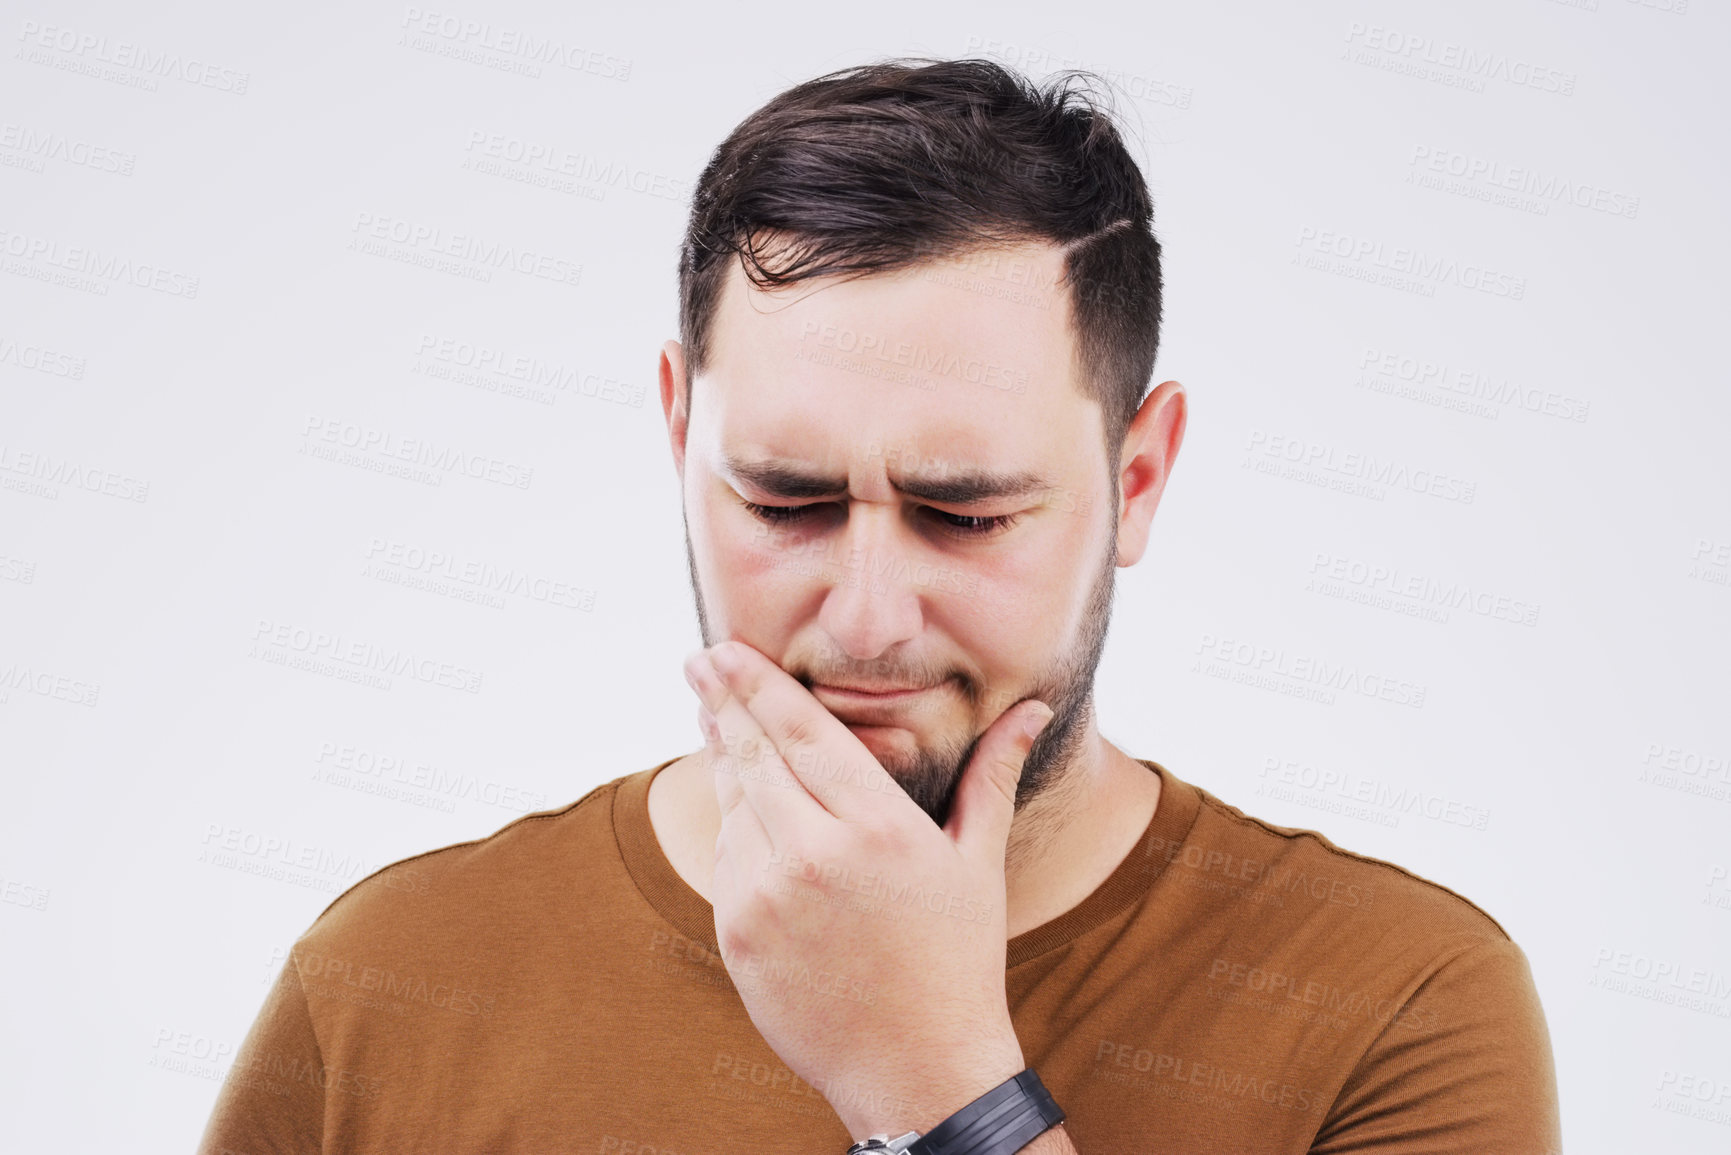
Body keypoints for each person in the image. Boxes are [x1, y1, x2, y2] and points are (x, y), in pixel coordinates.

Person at [199, 58, 1561, 1154]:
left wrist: (939, 1085)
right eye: (785, 499)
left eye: (964, 513)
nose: (863, 620)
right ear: (681, 436)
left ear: (1137, 478)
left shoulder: (1396, 1005)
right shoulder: (391, 979)